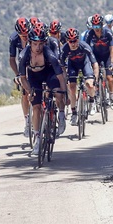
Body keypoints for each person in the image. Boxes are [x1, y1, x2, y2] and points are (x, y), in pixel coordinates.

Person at [19, 25, 67, 155]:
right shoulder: (24, 56)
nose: (38, 47)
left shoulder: (49, 54)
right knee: (36, 107)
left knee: (57, 93)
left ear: (45, 42)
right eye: (35, 44)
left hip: (49, 73)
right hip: (33, 77)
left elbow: (60, 76)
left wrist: (64, 93)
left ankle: (61, 116)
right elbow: (23, 78)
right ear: (30, 43)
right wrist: (30, 91)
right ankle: (38, 138)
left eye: (41, 43)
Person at [60, 27, 99, 125]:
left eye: (75, 41)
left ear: (78, 39)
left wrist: (95, 79)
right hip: (72, 65)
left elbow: (95, 64)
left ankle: (92, 100)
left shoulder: (84, 46)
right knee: (72, 88)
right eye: (70, 41)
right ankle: (73, 113)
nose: (72, 43)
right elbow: (62, 66)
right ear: (67, 41)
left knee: (89, 84)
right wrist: (65, 79)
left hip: (84, 63)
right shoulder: (64, 49)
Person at [85, 14, 113, 108]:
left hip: (107, 55)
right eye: (94, 26)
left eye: (98, 26)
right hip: (96, 55)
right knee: (95, 76)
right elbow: (86, 48)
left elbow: (112, 49)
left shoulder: (107, 32)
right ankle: (97, 94)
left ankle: (111, 95)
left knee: (109, 77)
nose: (96, 28)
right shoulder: (90, 34)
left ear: (102, 25)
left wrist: (112, 62)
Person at [9, 17, 32, 137]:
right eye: (21, 34)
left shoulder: (33, 35)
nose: (24, 36)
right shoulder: (14, 39)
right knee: (25, 94)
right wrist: (17, 74)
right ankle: (27, 121)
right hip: (23, 63)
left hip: (35, 61)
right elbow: (12, 59)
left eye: (26, 33)